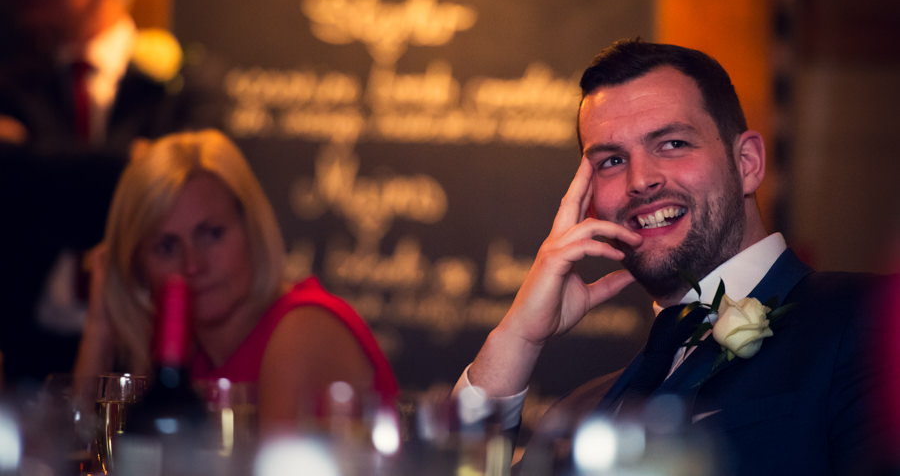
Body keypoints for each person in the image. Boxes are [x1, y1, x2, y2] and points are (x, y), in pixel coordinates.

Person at [455, 39, 889, 475]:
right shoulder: (581, 412)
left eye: (673, 143)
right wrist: (520, 337)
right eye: (610, 161)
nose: (640, 180)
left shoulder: (870, 318)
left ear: (748, 163)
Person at [0, 0, 222, 386]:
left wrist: (30, 159)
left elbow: (184, 199)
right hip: (26, 361)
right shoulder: (10, 88)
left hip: (157, 353)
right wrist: (130, 165)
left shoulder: (183, 84)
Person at [73, 129, 398, 429]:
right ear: (138, 265)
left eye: (212, 234)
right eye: (166, 246)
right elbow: (75, 452)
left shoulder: (302, 330)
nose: (192, 266)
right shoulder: (189, 364)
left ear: (251, 229)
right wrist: (100, 329)